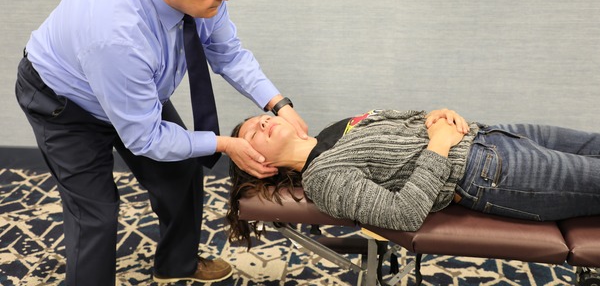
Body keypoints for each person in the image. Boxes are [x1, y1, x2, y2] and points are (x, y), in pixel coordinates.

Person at [15, 0, 308, 285]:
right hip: (63, 103)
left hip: (135, 88)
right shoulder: (117, 35)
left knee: (183, 173)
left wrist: (278, 103)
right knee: (95, 214)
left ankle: (176, 265)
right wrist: (224, 144)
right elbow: (145, 138)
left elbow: (228, 54)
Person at [227, 108, 600, 248]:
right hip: (488, 173)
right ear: (261, 165)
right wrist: (439, 144)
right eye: (252, 134)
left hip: (496, 133)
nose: (262, 122)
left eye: (261, 118)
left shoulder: (335, 128)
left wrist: (437, 114)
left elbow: (405, 119)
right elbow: (403, 213)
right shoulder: (322, 178)